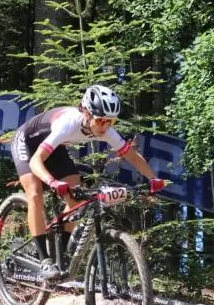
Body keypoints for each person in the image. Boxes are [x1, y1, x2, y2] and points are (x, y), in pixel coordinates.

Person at [9, 84, 165, 280]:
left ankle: (59, 255)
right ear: (86, 113)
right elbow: (35, 161)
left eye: (111, 121)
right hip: (26, 143)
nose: (105, 127)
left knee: (75, 201)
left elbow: (132, 157)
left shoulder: (105, 129)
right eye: (101, 121)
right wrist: (52, 181)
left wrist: (153, 178)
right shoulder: (67, 124)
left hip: (54, 147)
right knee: (34, 193)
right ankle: (44, 260)